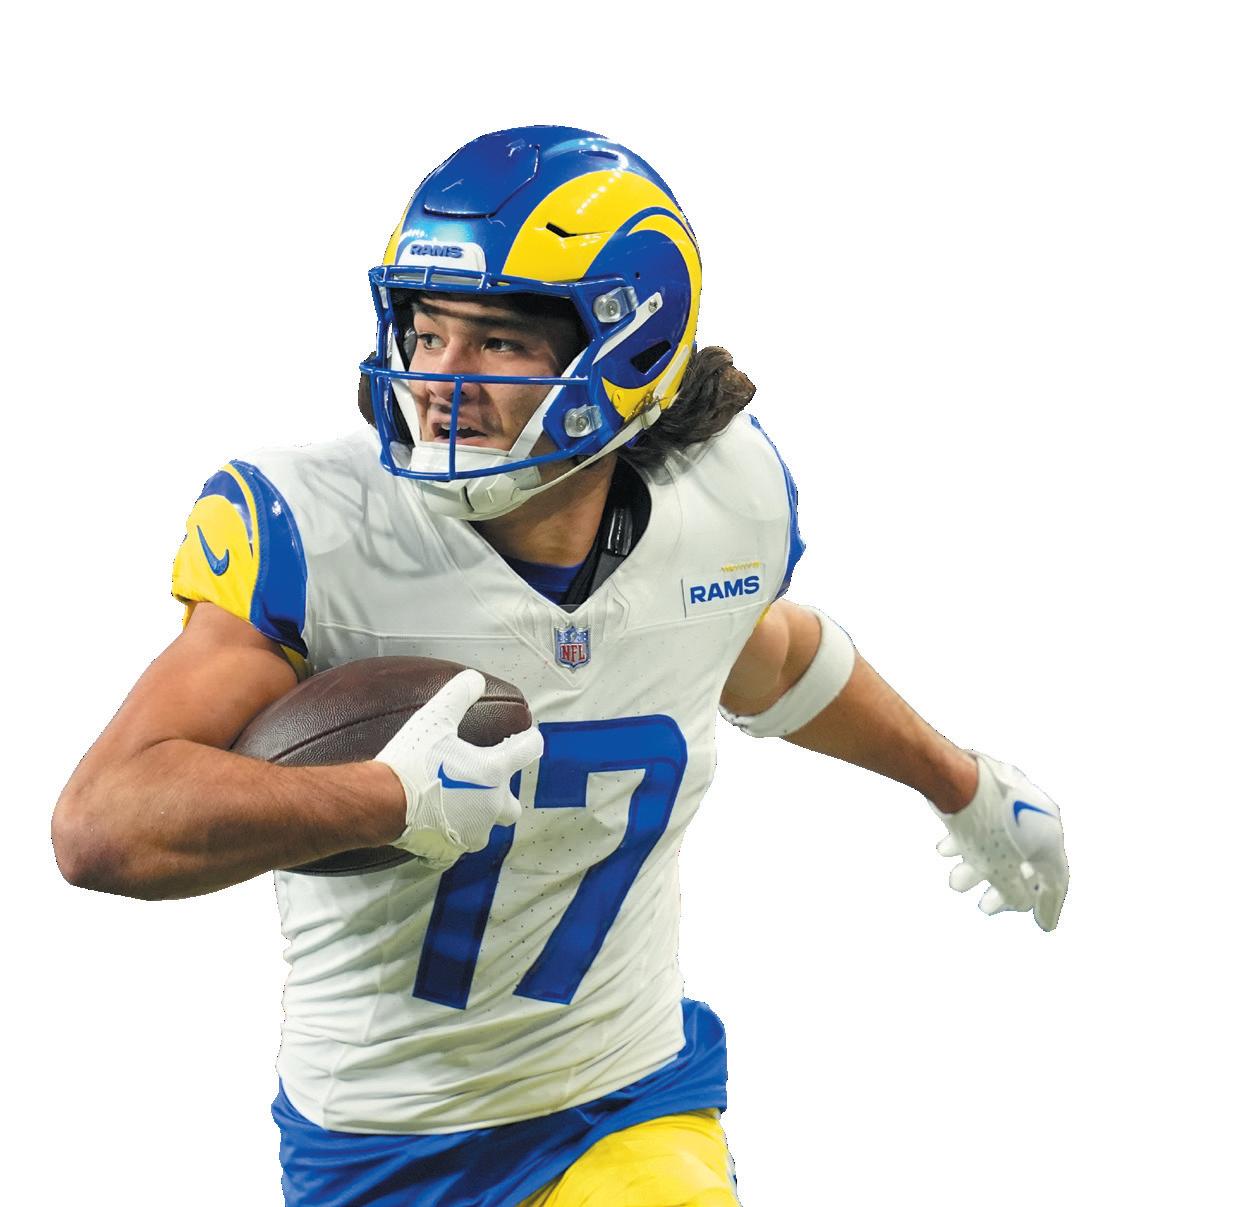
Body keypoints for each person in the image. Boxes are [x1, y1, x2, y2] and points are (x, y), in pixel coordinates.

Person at [51, 126, 1069, 1206]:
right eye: (426, 331)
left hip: (626, 1094)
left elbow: (760, 651)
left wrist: (963, 784)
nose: (439, 380)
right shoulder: (324, 530)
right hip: (385, 1140)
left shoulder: (719, 505)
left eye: (496, 342)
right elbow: (103, 821)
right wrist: (385, 798)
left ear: (628, 352)